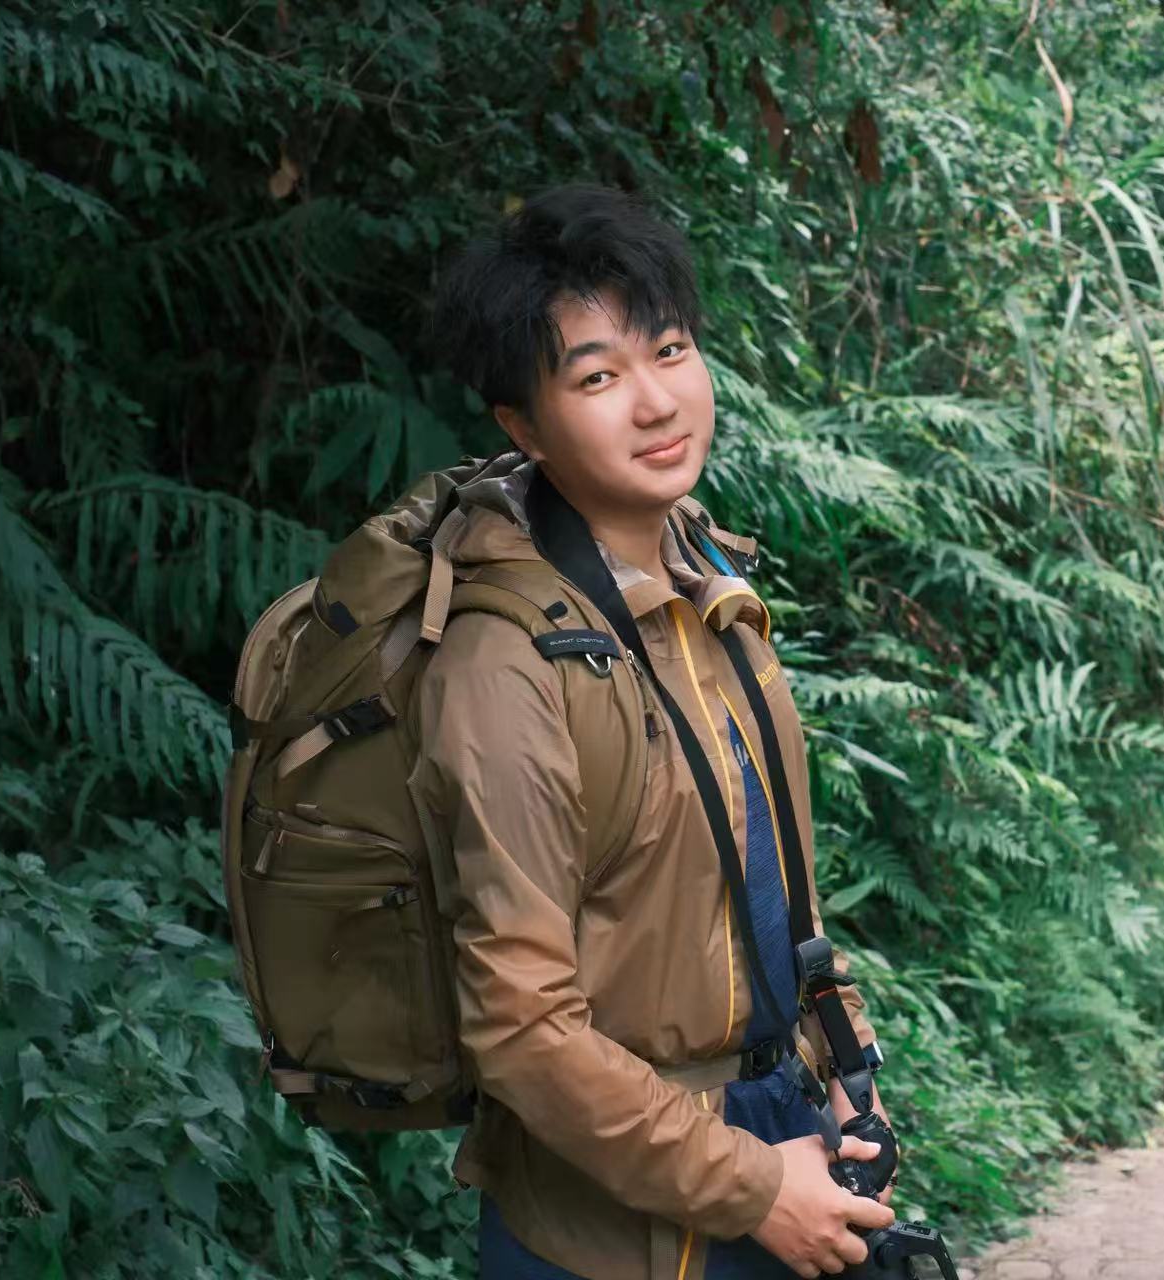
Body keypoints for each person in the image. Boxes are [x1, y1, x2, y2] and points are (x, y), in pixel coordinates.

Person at [415, 181, 896, 1280]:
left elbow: (774, 894)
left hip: (777, 1140)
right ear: (521, 425)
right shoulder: (505, 663)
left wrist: (844, 1070)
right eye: (597, 376)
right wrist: (752, 1187)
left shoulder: (707, 590)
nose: (655, 401)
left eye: (670, 350)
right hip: (609, 1227)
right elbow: (521, 1028)